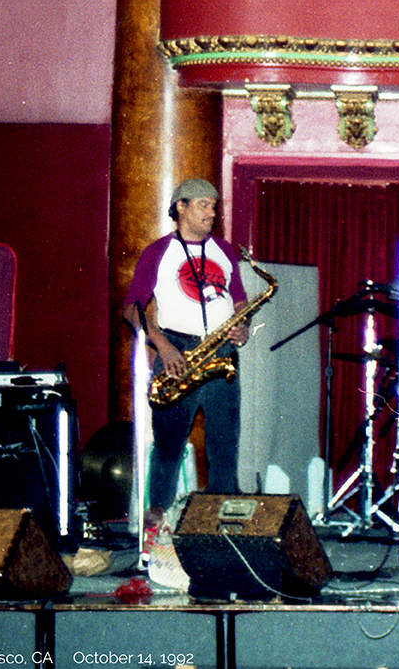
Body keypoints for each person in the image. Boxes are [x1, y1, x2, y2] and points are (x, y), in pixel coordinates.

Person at [126, 178, 250, 533]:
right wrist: (161, 345)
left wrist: (242, 324)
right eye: (203, 205)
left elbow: (239, 299)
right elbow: (131, 308)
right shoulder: (158, 251)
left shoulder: (223, 250)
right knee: (169, 445)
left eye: (214, 205)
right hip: (176, 351)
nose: (212, 212)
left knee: (225, 444)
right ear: (180, 207)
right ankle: (157, 523)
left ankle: (223, 525)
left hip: (221, 350)